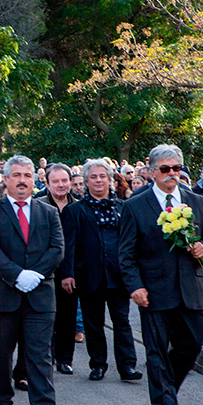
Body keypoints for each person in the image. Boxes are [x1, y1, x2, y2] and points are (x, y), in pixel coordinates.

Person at [119, 144, 203, 405]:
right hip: (154, 290)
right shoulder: (135, 205)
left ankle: (167, 388)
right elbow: (126, 254)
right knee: (157, 351)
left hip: (191, 289)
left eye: (176, 168)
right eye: (165, 169)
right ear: (151, 172)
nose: (172, 174)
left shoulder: (196, 201)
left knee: (191, 346)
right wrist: (135, 286)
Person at [0, 155, 65, 405]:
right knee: (1, 352)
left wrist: (35, 275)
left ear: (34, 179)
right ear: (5, 180)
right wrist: (17, 276)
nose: (22, 181)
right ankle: (2, 400)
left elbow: (57, 249)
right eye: (16, 175)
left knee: (40, 356)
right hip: (3, 295)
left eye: (27, 176)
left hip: (40, 296)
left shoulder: (48, 212)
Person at [61, 160, 140, 381]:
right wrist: (67, 273)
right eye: (93, 177)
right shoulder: (74, 211)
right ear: (86, 181)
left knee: (122, 321)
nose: (98, 180)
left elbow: (133, 243)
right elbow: (68, 245)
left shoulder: (124, 208)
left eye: (102, 176)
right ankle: (98, 364)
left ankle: (127, 366)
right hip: (88, 275)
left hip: (118, 274)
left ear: (110, 179)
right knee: (93, 323)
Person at [40, 164, 79, 376]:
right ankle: (45, 357)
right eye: (55, 181)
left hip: (71, 271)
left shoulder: (78, 207)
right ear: (47, 184)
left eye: (64, 180)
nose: (61, 185)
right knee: (44, 318)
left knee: (67, 316)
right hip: (45, 270)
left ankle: (65, 359)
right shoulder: (39, 205)